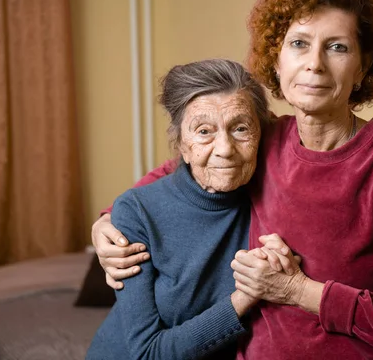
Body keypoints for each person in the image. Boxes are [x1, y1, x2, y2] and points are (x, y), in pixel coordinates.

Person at [92, 0, 373, 358]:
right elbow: (188, 168)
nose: (315, 64)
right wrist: (107, 222)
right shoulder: (263, 138)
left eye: (337, 47)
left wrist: (301, 292)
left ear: (362, 68)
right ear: (276, 60)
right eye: (299, 43)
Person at [87, 59, 280, 360]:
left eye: (240, 128)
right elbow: (147, 353)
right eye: (204, 131)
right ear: (181, 145)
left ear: (261, 134)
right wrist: (244, 298)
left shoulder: (276, 198)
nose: (225, 149)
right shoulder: (136, 212)